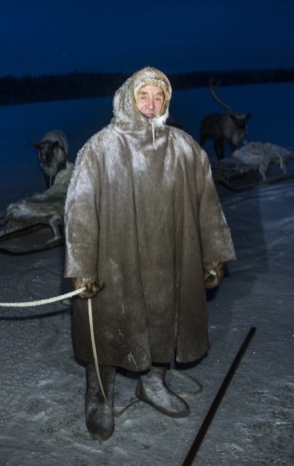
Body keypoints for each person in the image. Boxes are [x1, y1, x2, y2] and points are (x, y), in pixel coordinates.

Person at [63, 66, 236, 441]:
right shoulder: (101, 147)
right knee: (107, 325)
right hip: (114, 259)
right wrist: (81, 266)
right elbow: (78, 211)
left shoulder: (184, 148)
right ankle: (99, 395)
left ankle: (152, 383)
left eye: (159, 96)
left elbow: (208, 205)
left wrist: (213, 255)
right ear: (128, 98)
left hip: (168, 256)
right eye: (144, 95)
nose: (151, 103)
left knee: (163, 315)